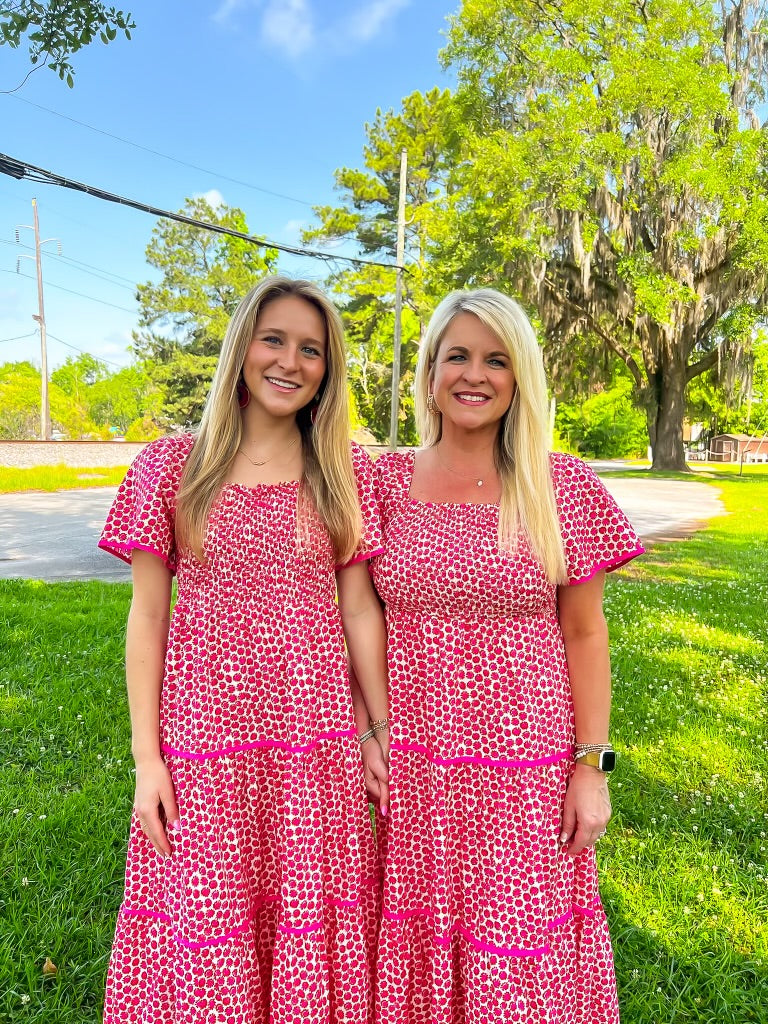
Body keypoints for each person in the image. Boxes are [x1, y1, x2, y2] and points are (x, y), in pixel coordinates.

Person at [98, 276, 389, 1024]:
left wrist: (378, 729)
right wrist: (146, 758)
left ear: (329, 368)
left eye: (311, 349)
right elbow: (147, 617)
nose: (290, 362)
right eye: (274, 339)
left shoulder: (343, 472)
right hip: (205, 744)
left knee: (304, 921)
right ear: (241, 348)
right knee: (211, 922)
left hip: (311, 742)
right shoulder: (171, 467)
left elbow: (359, 608)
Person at [370, 288, 643, 1024]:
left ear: (520, 376)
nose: (474, 374)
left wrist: (591, 770)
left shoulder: (561, 486)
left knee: (515, 951)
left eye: (496, 359)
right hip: (414, 766)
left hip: (526, 770)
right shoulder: (381, 482)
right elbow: (346, 615)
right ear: (428, 373)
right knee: (418, 939)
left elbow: (586, 634)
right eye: (455, 355)